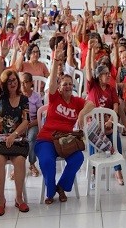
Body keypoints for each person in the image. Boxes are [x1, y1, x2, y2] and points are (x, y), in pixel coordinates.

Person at [35, 47, 94, 204]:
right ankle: (50, 192)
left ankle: (61, 187)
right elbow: (53, 80)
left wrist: (81, 113)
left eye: (70, 84)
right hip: (46, 139)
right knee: (47, 162)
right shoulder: (54, 97)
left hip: (65, 140)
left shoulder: (76, 101)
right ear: (59, 88)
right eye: (64, 84)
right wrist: (55, 62)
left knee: (78, 158)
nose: (67, 86)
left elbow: (91, 103)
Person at [0, 59, 30, 215]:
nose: (12, 83)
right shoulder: (0, 97)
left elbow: (26, 121)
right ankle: (1, 199)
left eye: (15, 80)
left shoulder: (24, 99)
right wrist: (1, 56)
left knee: (19, 161)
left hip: (17, 138)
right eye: (9, 81)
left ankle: (19, 198)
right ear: (5, 84)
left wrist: (14, 134)